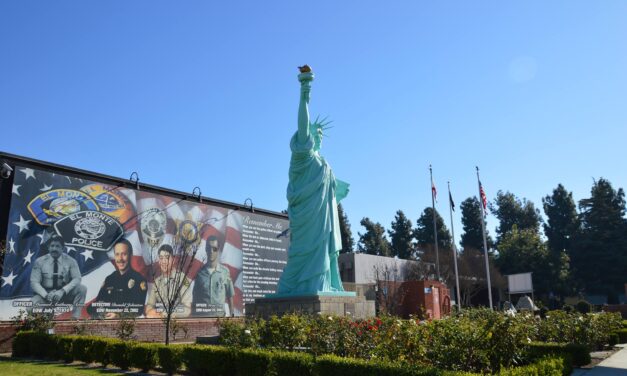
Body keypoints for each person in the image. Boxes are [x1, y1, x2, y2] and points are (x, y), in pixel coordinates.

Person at [276, 66, 349, 294]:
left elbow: (329, 189)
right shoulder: (303, 156)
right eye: (313, 132)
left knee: (322, 254)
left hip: (323, 219)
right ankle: (291, 288)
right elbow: (302, 122)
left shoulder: (322, 162)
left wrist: (337, 191)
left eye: (319, 133)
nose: (318, 135)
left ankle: (326, 284)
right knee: (301, 254)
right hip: (307, 217)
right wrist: (305, 92)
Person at [30, 234, 87, 319]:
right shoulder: (39, 262)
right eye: (52, 246)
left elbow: (77, 278)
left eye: (57, 246)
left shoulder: (71, 261)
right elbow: (34, 282)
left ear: (62, 248)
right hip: (45, 294)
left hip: (64, 294)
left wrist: (62, 291)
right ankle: (43, 322)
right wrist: (46, 295)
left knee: (82, 289)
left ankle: (75, 319)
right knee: (30, 308)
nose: (54, 249)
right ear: (48, 247)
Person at [88, 238, 147, 319]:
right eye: (117, 254)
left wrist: (118, 315)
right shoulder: (109, 279)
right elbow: (96, 304)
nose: (120, 259)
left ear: (130, 255)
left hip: (126, 324)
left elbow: (138, 309)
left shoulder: (139, 280)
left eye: (124, 254)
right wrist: (101, 313)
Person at [145, 244, 192, 318]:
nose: (164, 261)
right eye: (161, 258)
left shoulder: (181, 279)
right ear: (159, 262)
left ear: (173, 260)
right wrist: (151, 312)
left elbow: (187, 309)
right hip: (160, 325)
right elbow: (150, 305)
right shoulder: (157, 282)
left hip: (177, 325)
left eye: (167, 258)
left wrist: (165, 315)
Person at [192, 236, 234, 317]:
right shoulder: (200, 273)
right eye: (209, 248)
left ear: (218, 250)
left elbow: (230, 297)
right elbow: (195, 299)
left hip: (220, 319)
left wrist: (232, 316)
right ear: (206, 249)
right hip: (203, 319)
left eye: (214, 249)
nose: (211, 251)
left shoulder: (225, 272)